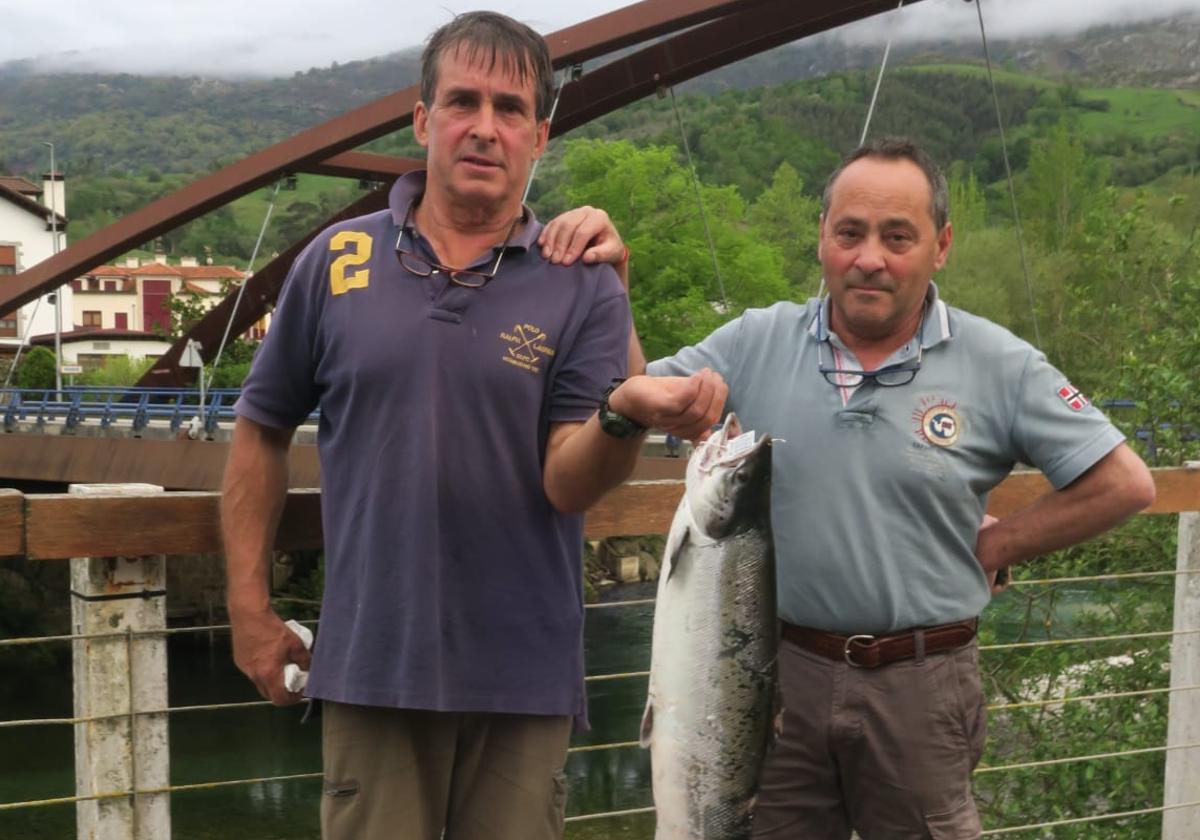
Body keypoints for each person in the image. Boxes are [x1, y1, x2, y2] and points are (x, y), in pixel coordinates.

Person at [553, 138, 1156, 838]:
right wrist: (616, 285)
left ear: (942, 245)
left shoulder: (1001, 363)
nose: (870, 257)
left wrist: (997, 543)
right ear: (822, 239)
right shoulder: (756, 340)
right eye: (850, 232)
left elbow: (1125, 483)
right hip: (771, 679)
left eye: (897, 236)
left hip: (923, 685)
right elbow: (645, 395)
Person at [221, 12, 723, 840]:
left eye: (510, 108)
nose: (484, 128)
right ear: (423, 121)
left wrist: (622, 414)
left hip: (523, 679)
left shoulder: (583, 284)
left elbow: (570, 479)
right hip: (370, 667)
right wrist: (248, 607)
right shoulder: (334, 262)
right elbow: (260, 427)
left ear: (540, 135)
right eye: (462, 102)